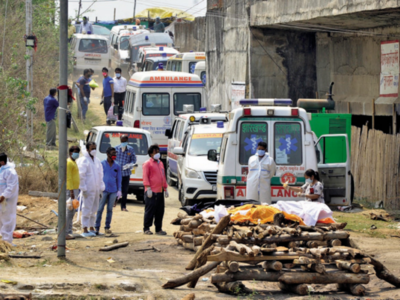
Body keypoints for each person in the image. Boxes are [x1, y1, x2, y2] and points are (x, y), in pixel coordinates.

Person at [77, 142, 105, 237]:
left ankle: (91, 227)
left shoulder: (97, 160)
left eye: (95, 148)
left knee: (94, 208)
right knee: (87, 208)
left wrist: (101, 186)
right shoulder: (84, 160)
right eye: (92, 148)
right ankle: (84, 229)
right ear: (87, 149)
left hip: (96, 189)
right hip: (88, 189)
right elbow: (81, 175)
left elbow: (100, 174)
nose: (94, 150)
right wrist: (83, 187)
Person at [143, 145, 168, 235]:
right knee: (150, 210)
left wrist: (165, 188)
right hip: (151, 191)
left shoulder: (160, 163)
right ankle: (146, 228)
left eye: (158, 151)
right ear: (151, 154)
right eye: (155, 152)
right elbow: (145, 176)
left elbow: (163, 176)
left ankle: (158, 229)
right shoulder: (147, 164)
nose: (157, 153)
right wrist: (148, 187)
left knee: (160, 211)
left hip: (160, 190)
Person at [95, 147, 122, 235]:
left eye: (115, 154)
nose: (114, 155)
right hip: (103, 190)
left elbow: (119, 179)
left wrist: (119, 190)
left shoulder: (117, 165)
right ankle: (97, 227)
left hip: (113, 190)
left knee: (110, 209)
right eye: (112, 153)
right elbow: (98, 177)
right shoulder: (102, 164)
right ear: (107, 154)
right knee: (100, 209)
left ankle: (107, 227)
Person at [0, 153, 19, 245]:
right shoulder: (2, 170)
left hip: (7, 201)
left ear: (2, 162)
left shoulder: (11, 172)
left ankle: (7, 242)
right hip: (1, 200)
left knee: (7, 220)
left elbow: (11, 187)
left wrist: (3, 196)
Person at [115, 135, 136, 211]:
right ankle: (114, 202)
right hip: (117, 173)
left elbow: (133, 160)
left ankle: (123, 206)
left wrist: (129, 165)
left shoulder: (131, 149)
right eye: (122, 141)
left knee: (125, 190)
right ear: (120, 141)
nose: (123, 143)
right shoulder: (116, 148)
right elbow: (113, 159)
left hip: (126, 173)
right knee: (115, 189)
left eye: (124, 141)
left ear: (127, 141)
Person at [66, 146, 80, 240]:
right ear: (70, 152)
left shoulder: (73, 162)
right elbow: (69, 177)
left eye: (78, 152)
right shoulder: (69, 163)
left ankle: (69, 231)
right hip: (71, 190)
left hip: (75, 189)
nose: (77, 154)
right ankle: (66, 232)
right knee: (69, 211)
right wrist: (71, 191)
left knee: (72, 211)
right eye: (75, 152)